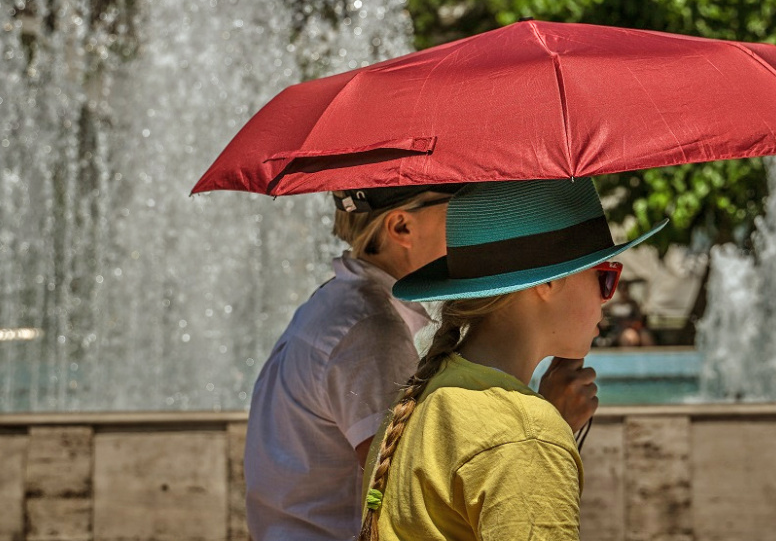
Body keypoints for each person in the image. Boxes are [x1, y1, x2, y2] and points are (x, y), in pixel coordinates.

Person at [243, 184, 600, 541]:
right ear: (401, 228)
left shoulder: (342, 309)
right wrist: (547, 425)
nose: (469, 220)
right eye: (457, 205)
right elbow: (412, 482)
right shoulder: (371, 331)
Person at [361, 179, 667, 540]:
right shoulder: (522, 436)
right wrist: (540, 433)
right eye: (604, 276)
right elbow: (509, 449)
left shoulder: (425, 397)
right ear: (548, 281)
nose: (607, 299)